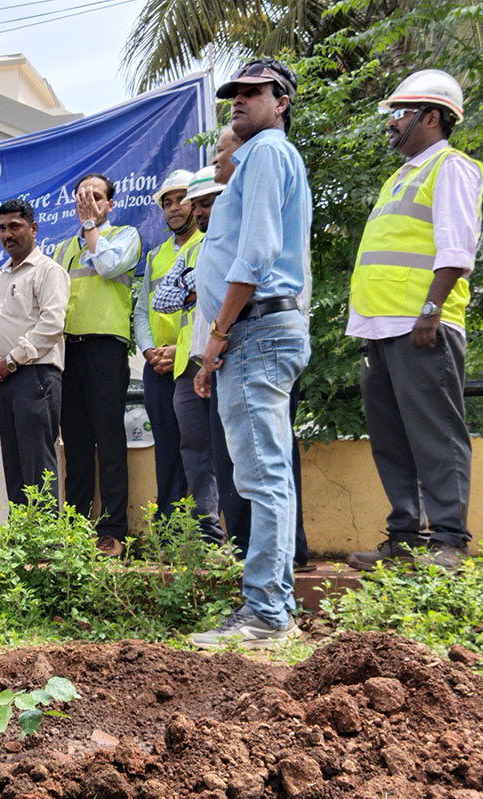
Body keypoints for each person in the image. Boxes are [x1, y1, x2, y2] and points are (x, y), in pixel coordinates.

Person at [188, 59, 312, 649]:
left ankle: (265, 615)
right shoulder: (266, 158)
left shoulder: (266, 152)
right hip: (259, 333)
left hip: (255, 332)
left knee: (263, 477)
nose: (237, 99)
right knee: (266, 473)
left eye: (252, 92)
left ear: (281, 100)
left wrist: (215, 338)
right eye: (232, 93)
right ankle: (273, 605)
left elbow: (256, 255)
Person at [346, 70, 483, 571]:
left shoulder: (450, 167)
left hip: (421, 326)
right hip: (380, 330)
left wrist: (430, 311)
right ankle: (404, 538)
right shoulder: (399, 176)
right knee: (392, 440)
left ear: (432, 117)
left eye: (399, 113)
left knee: (436, 435)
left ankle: (448, 540)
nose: (391, 123)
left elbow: (456, 248)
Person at [52, 173, 143, 556]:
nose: (86, 202)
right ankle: (74, 526)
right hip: (67, 351)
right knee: (74, 443)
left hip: (106, 347)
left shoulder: (126, 235)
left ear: (109, 204)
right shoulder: (60, 248)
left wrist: (91, 226)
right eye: (81, 197)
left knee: (108, 439)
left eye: (95, 196)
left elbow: (107, 267)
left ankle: (112, 529)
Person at [150, 164, 226, 545]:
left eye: (202, 203)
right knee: (193, 448)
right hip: (190, 364)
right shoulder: (192, 249)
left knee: (230, 449)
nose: (195, 211)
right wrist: (193, 286)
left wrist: (197, 287)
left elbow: (226, 288)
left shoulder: (232, 239)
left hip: (230, 357)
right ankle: (209, 531)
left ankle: (244, 537)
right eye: (195, 204)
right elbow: (162, 299)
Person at [0, 199, 70, 507]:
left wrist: (11, 360)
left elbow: (51, 325)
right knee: (14, 462)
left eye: (15, 226)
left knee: (37, 460)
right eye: (2, 228)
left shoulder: (49, 272)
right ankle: (24, 539)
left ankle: (47, 543)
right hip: (3, 380)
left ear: (33, 228)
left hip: (36, 375)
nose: (8, 234)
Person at [133, 169, 200, 528]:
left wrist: (181, 352)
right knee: (167, 447)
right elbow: (141, 310)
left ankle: (200, 527)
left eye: (181, 199)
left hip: (192, 363)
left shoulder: (207, 243)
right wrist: (148, 351)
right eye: (167, 202)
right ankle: (169, 527)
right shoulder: (156, 255)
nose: (174, 208)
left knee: (197, 446)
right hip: (157, 365)